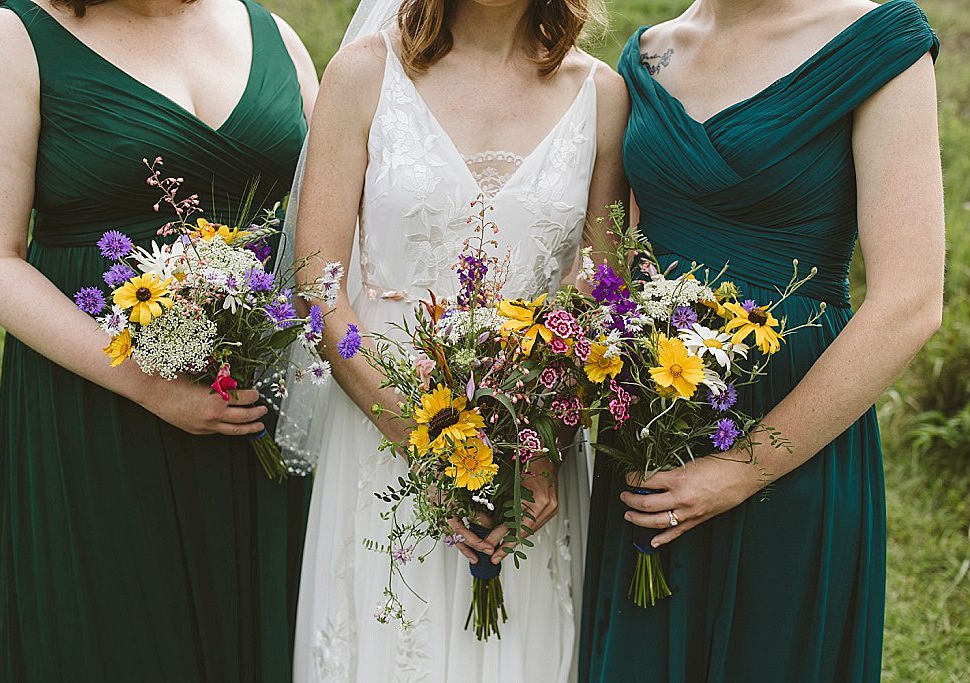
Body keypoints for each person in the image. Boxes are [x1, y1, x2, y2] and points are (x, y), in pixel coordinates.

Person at [0, 0, 317, 679]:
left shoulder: (272, 34)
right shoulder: (10, 39)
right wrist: (146, 385)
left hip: (264, 414)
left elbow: (327, 225)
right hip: (99, 410)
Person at [579, 0, 944, 681]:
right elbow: (618, 262)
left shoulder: (877, 42)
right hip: (653, 420)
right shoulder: (651, 52)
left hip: (791, 424)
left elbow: (910, 302)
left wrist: (742, 468)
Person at [289, 0, 629, 678]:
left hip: (531, 433)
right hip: (382, 422)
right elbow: (319, 282)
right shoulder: (364, 74)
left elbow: (601, 288)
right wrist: (421, 440)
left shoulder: (601, 94)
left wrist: (543, 447)